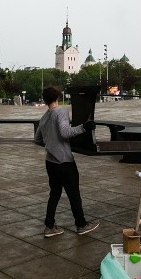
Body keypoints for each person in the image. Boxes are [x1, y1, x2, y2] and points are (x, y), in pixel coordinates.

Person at [34, 86, 99, 238]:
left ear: (45, 100)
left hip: (50, 162)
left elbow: (37, 139)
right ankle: (81, 224)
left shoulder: (44, 117)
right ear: (58, 97)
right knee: (74, 194)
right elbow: (65, 133)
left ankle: (49, 227)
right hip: (64, 162)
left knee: (55, 194)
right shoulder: (61, 112)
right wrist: (84, 127)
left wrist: (51, 145)